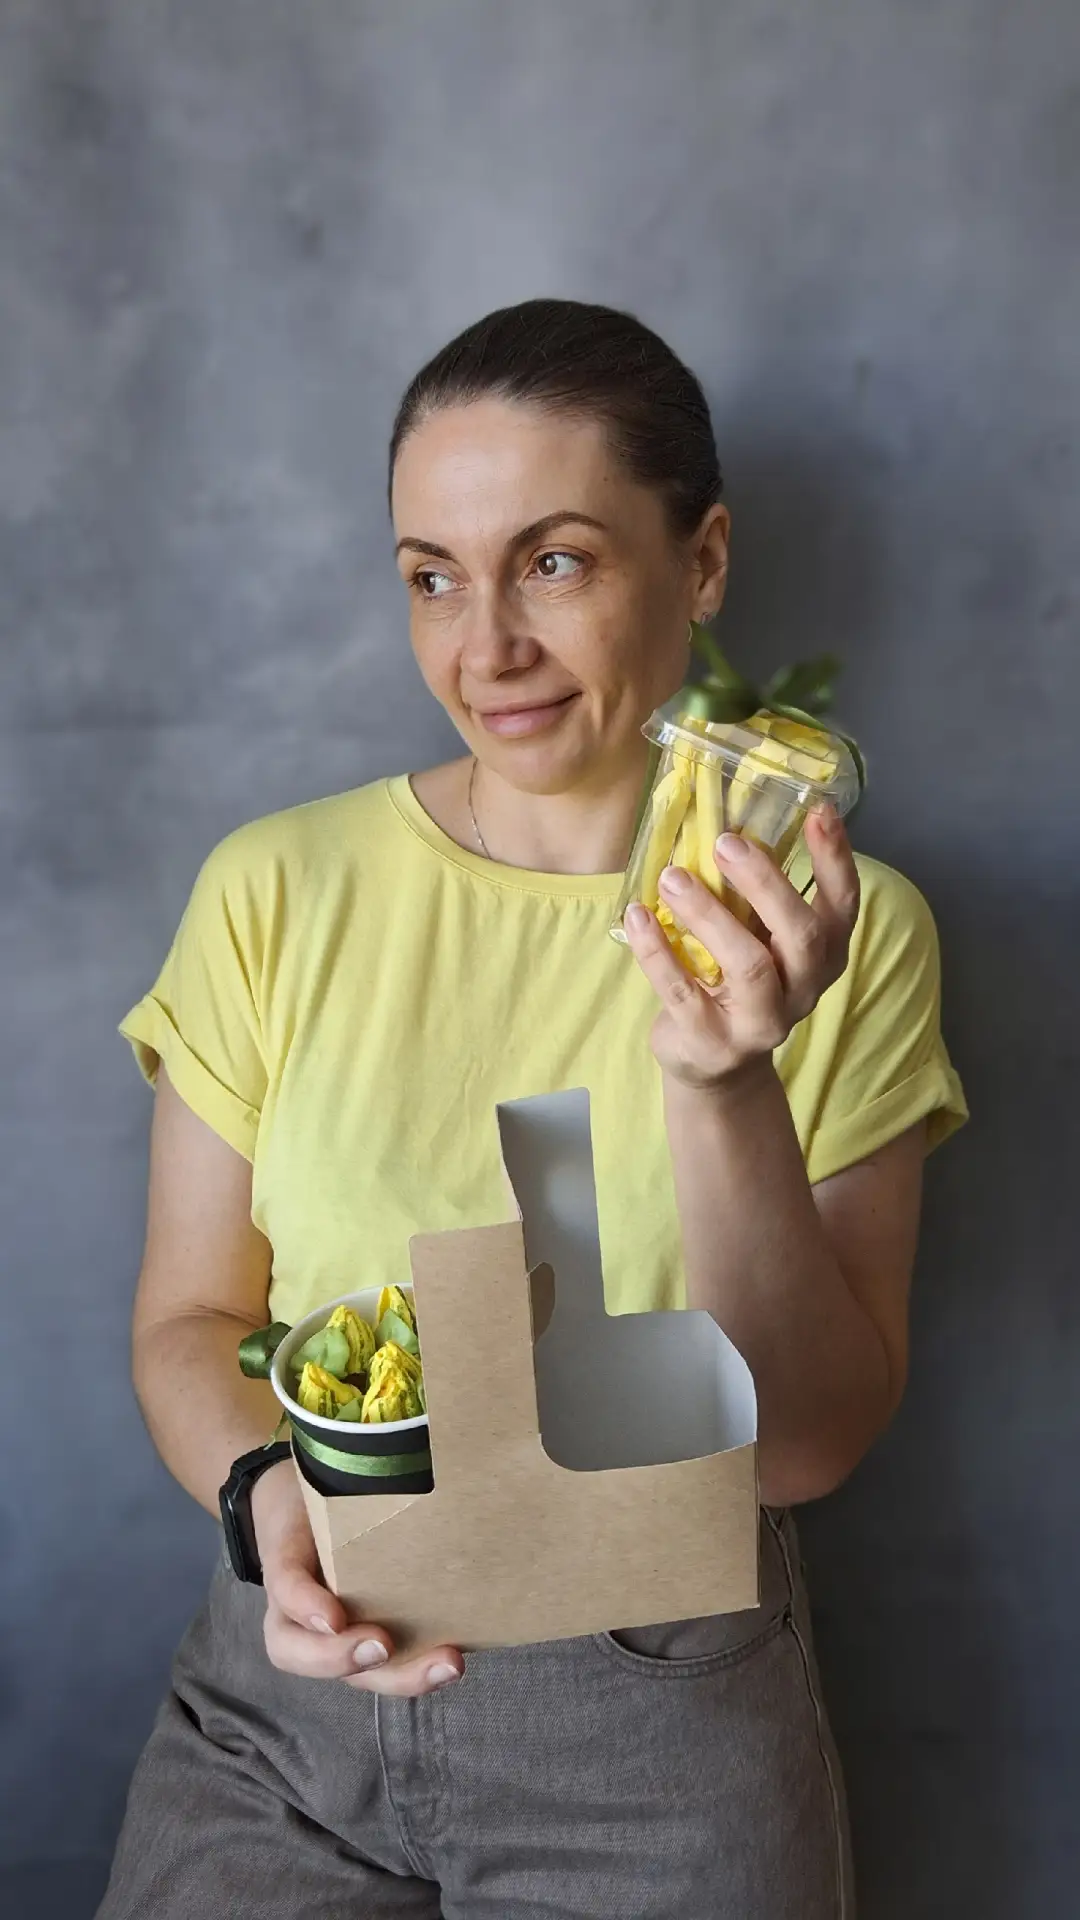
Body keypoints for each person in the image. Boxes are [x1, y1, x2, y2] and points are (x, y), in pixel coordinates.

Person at [98, 298, 967, 1920]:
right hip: (287, 1694)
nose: (482, 645)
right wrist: (267, 1500)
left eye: (553, 562)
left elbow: (804, 1446)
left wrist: (722, 1080)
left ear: (703, 561)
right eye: (433, 576)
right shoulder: (273, 890)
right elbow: (191, 1320)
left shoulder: (837, 931)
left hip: (659, 1719)